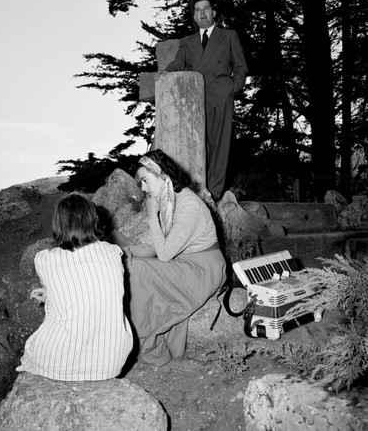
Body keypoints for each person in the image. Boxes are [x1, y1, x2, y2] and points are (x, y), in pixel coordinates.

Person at [124, 149, 226, 367]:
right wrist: (125, 253)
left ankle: (143, 341)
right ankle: (136, 336)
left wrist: (152, 217)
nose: (143, 188)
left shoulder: (188, 204)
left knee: (138, 270)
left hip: (202, 269)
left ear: (162, 175)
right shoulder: (169, 201)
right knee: (132, 264)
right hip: (185, 263)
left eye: (145, 180)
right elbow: (152, 245)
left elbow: (164, 253)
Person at [16, 193, 133, 381]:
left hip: (61, 362)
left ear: (58, 224)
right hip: (111, 360)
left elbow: (72, 289)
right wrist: (51, 295)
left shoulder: (44, 259)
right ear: (93, 219)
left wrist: (50, 296)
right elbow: (92, 291)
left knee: (37, 343)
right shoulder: (113, 252)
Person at [165, 0, 248, 200]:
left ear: (214, 13)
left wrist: (233, 88)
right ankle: (196, 192)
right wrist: (166, 72)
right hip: (194, 98)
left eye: (206, 9)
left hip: (221, 94)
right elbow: (179, 62)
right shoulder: (187, 42)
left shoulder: (228, 36)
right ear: (194, 17)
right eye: (198, 10)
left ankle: (214, 194)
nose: (202, 13)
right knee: (197, 145)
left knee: (220, 147)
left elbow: (240, 67)